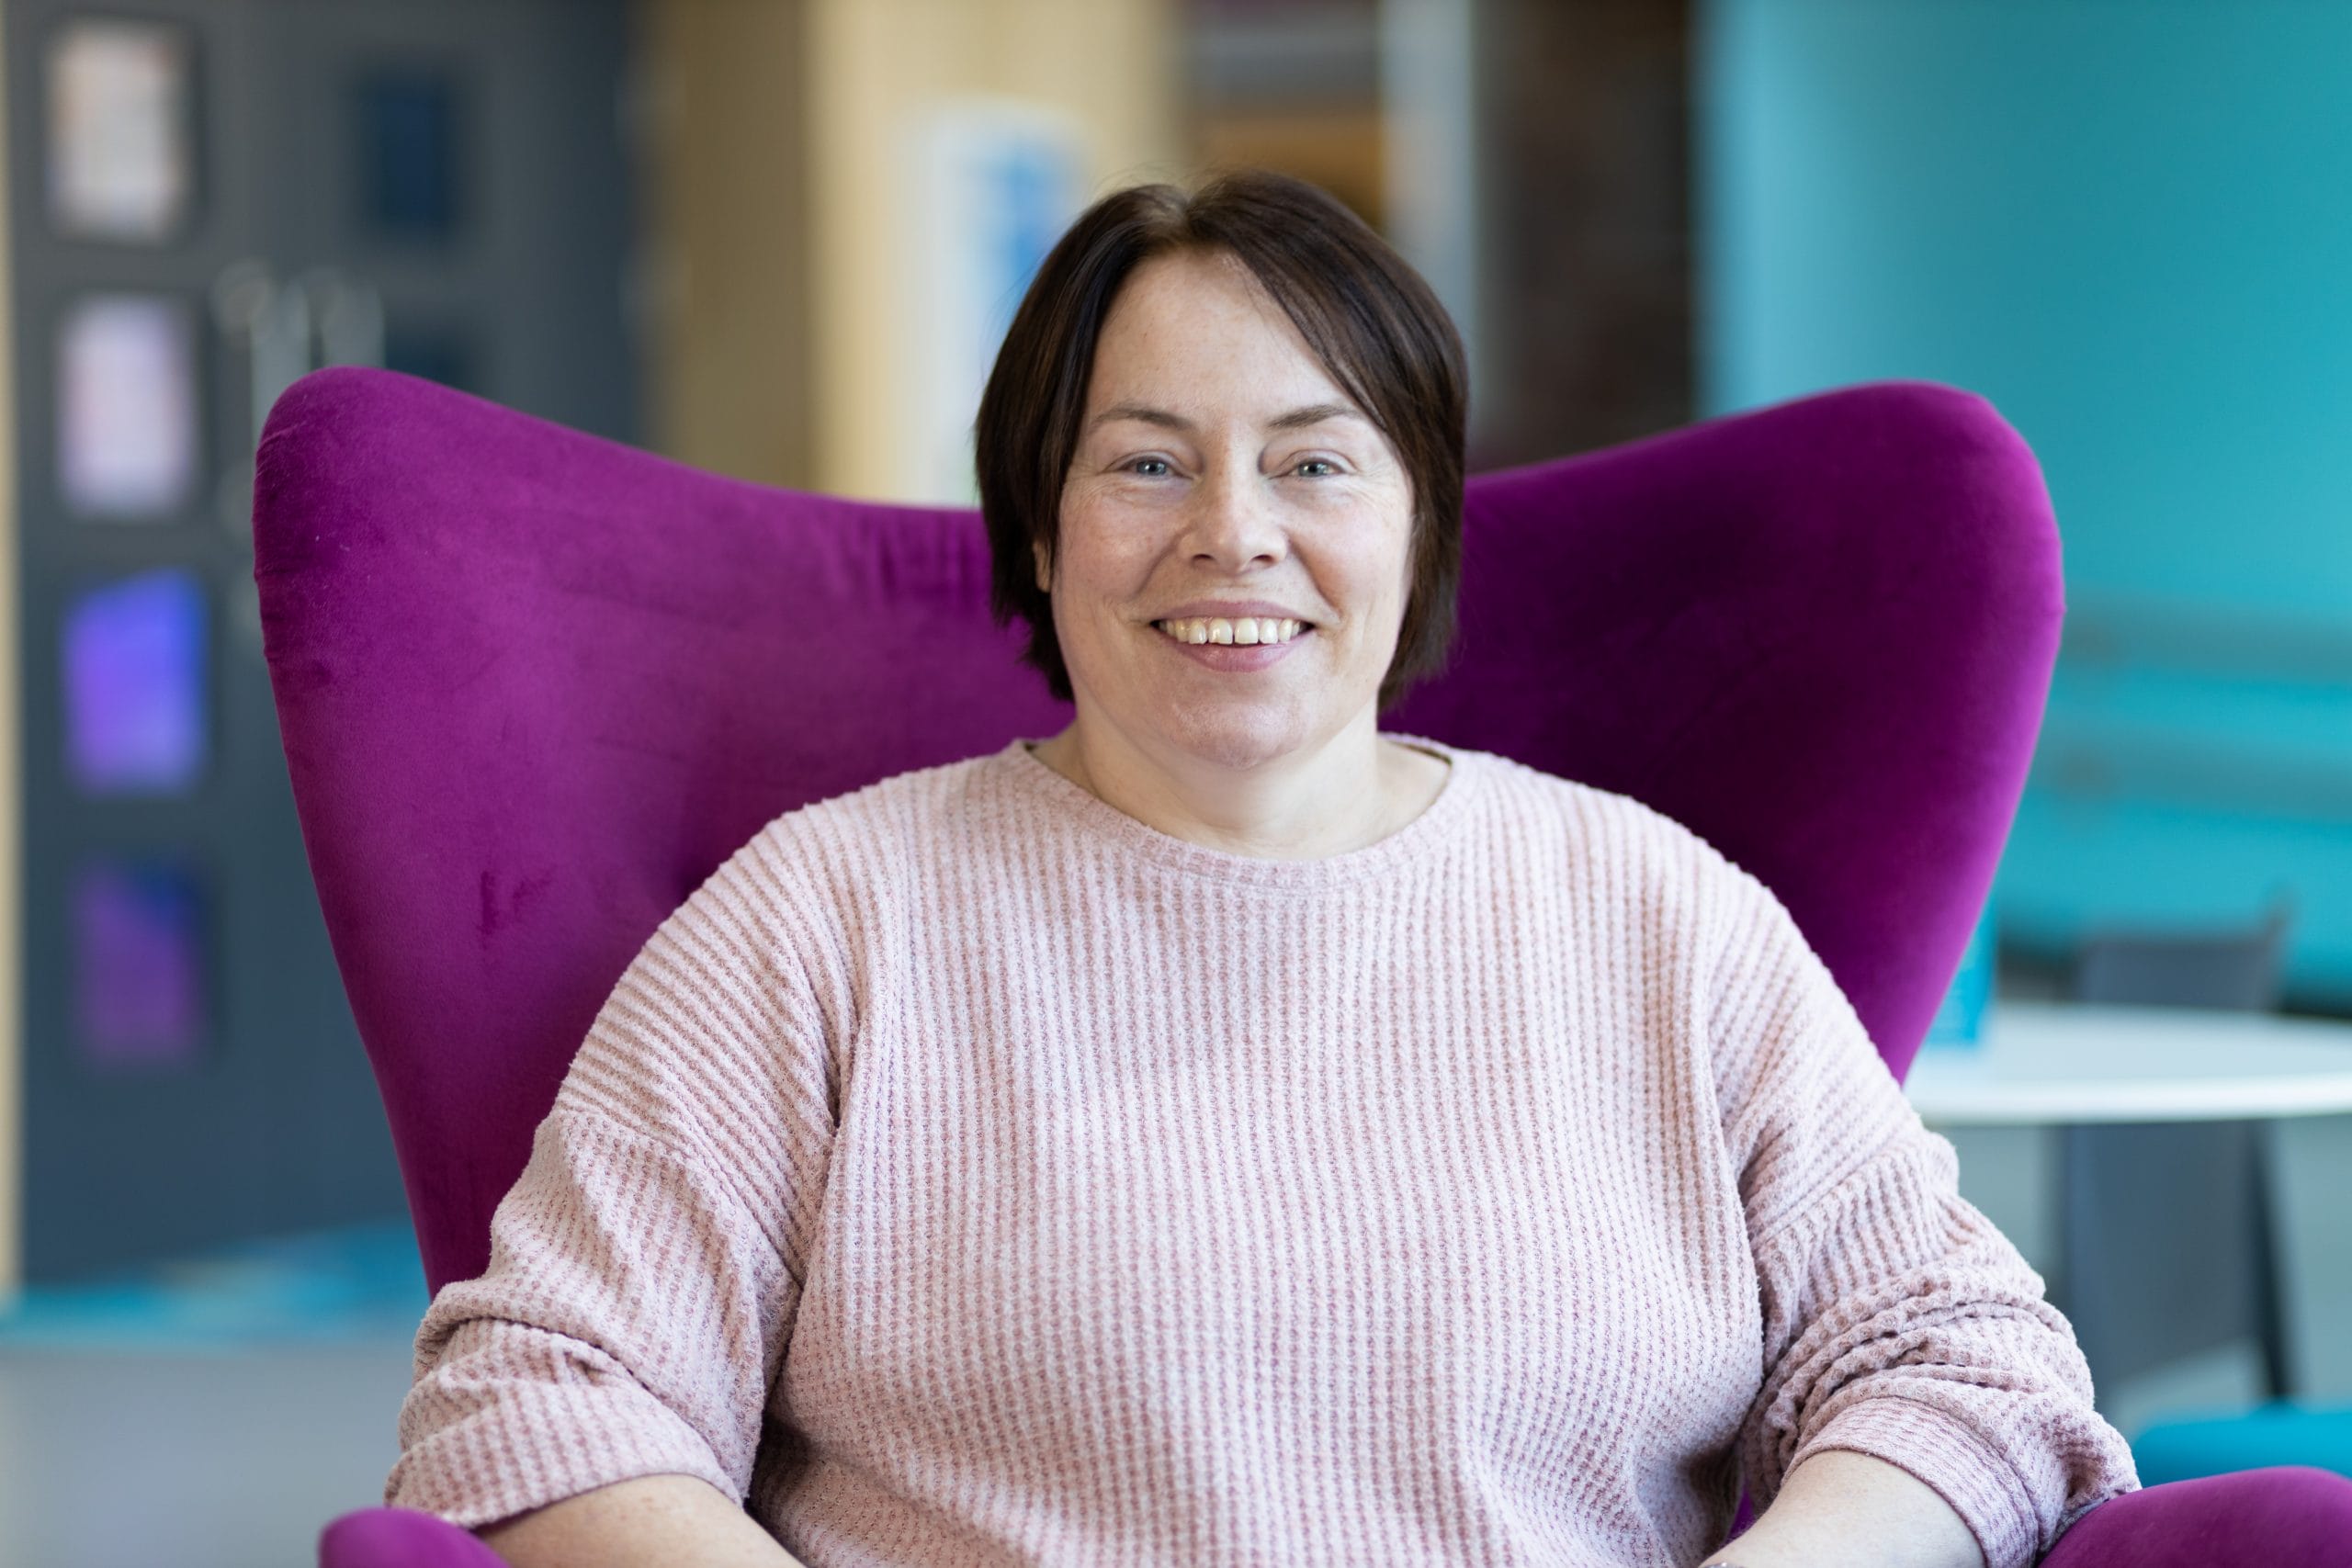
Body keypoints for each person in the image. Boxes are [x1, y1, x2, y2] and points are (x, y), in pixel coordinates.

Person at [382, 168, 2138, 1568]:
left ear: (1418, 523)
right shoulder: (821, 919)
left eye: (1314, 462)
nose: (1234, 531)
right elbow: (542, 1387)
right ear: (1041, 528)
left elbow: (1962, 1361)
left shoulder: (1659, 916)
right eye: (1148, 463)